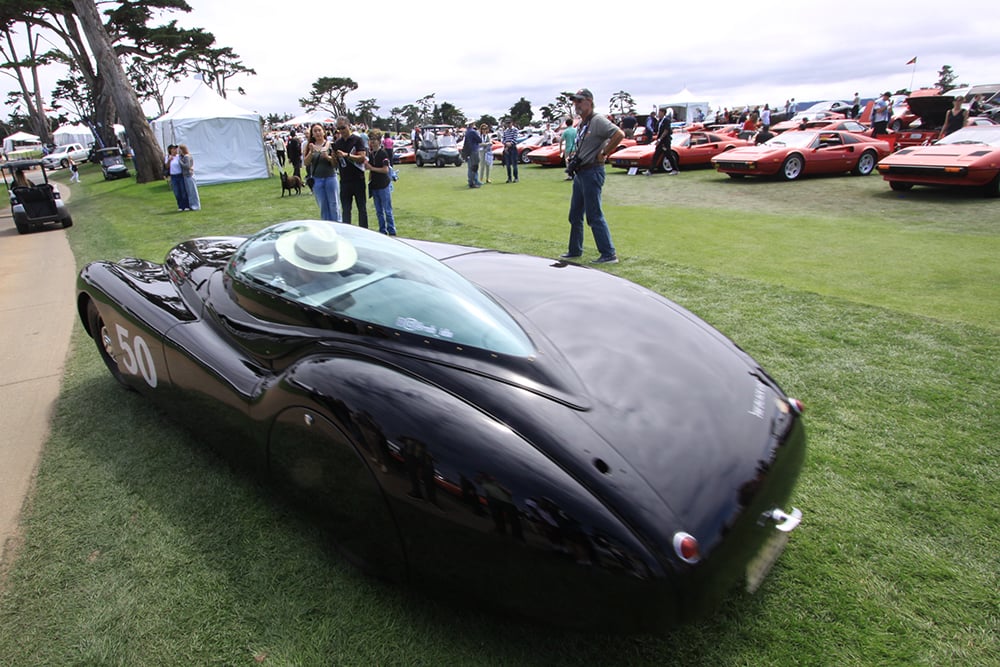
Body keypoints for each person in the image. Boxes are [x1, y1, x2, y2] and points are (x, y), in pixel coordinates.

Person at [561, 88, 623, 265]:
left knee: (594, 214)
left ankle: (609, 253)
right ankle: (574, 250)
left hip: (592, 171)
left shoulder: (598, 121)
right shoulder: (583, 123)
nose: (576, 105)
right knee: (575, 215)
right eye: (575, 102)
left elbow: (619, 134)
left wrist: (604, 152)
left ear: (589, 101)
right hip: (581, 172)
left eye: (580, 101)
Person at [332, 117, 368, 228]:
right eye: (339, 128)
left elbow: (362, 158)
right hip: (345, 180)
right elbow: (335, 165)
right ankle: (347, 233)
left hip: (358, 179)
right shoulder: (338, 143)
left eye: (343, 127)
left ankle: (364, 232)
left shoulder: (357, 140)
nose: (341, 130)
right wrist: (333, 158)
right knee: (346, 210)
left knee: (362, 209)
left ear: (349, 126)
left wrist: (347, 155)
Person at [304, 122, 341, 222]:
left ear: (324, 132)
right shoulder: (310, 146)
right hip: (317, 180)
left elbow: (335, 164)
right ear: (312, 134)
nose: (317, 133)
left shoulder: (330, 145)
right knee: (323, 205)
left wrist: (328, 157)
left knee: (334, 204)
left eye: (319, 130)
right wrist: (311, 153)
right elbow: (306, 162)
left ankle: (338, 226)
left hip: (330, 178)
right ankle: (327, 227)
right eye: (315, 131)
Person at [364, 129, 396, 236]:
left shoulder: (383, 153)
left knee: (387, 210)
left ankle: (391, 230)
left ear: (379, 140)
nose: (372, 142)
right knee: (378, 211)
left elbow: (385, 169)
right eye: (370, 140)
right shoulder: (371, 153)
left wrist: (371, 168)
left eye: (374, 140)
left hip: (383, 185)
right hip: (375, 185)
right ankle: (382, 230)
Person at [646, 108, 678, 175]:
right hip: (660, 141)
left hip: (665, 141)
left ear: (663, 113)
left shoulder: (666, 120)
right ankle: (650, 171)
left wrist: (660, 139)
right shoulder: (659, 121)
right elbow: (656, 130)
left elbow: (666, 131)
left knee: (668, 155)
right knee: (656, 155)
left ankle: (675, 169)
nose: (658, 114)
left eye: (660, 112)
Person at [166, 144, 190, 211]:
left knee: (183, 191)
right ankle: (180, 206)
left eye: (176, 149)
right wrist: (169, 160)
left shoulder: (179, 156)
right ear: (170, 150)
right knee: (177, 192)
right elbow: (167, 167)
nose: (175, 150)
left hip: (180, 175)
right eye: (173, 149)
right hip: (173, 176)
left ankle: (186, 205)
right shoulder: (168, 157)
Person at [462, 122, 482, 188]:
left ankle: (471, 181)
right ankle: (473, 182)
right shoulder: (473, 132)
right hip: (474, 150)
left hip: (469, 151)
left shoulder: (467, 132)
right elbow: (479, 140)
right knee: (474, 167)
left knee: (470, 167)